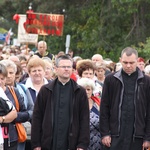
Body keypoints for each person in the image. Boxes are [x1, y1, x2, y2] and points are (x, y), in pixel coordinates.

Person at [31, 55, 90, 150]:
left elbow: (84, 119)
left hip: (71, 143)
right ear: (56, 69)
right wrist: (36, 144)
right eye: (63, 67)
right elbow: (37, 117)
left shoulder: (80, 92)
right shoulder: (45, 90)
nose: (66, 69)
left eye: (69, 67)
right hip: (49, 143)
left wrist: (82, 144)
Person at [100, 47, 150, 150]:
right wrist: (105, 133)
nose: (128, 66)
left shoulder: (146, 81)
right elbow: (104, 107)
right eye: (125, 62)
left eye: (131, 63)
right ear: (120, 60)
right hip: (115, 135)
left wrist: (147, 138)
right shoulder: (111, 80)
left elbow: (149, 111)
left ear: (137, 61)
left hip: (137, 137)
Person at [77, 78, 101, 150]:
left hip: (98, 143)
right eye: (83, 89)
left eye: (88, 89)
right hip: (80, 144)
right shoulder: (74, 105)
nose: (86, 92)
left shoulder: (98, 104)